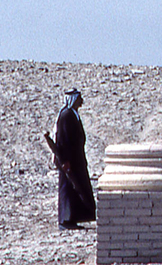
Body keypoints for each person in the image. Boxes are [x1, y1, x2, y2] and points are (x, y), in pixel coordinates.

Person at [54, 89, 95, 228]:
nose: (81, 101)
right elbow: (63, 141)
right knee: (67, 189)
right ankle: (65, 220)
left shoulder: (73, 114)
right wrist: (64, 160)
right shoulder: (66, 115)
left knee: (77, 189)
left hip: (76, 161)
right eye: (79, 98)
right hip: (68, 161)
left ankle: (73, 218)